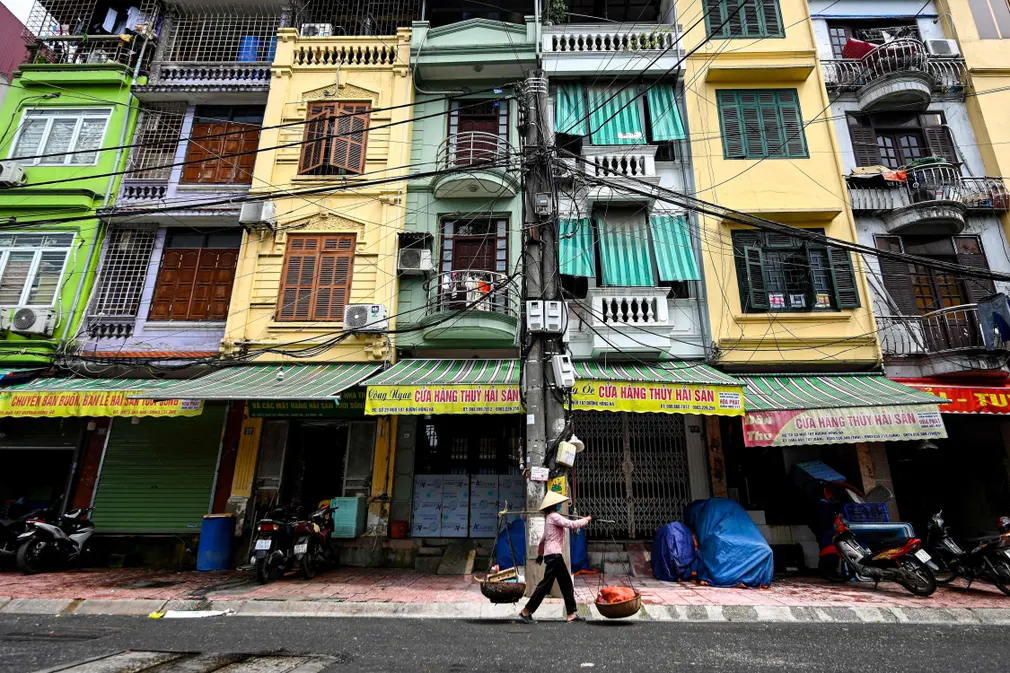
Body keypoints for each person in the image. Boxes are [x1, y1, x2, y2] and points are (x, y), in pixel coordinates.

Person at [519, 491, 591, 624]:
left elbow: (543, 539)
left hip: (551, 555)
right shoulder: (554, 517)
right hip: (554, 556)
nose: (559, 505)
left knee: (564, 584)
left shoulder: (549, 518)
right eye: (557, 504)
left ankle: (570, 614)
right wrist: (587, 519)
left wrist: (540, 555)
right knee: (547, 586)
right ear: (553, 506)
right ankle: (526, 611)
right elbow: (572, 525)